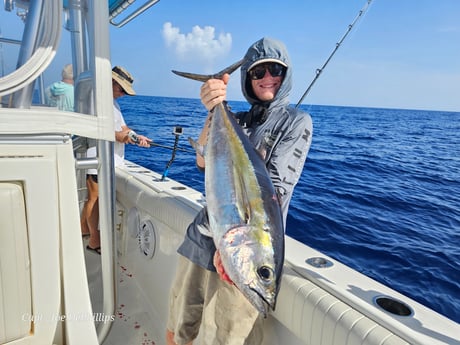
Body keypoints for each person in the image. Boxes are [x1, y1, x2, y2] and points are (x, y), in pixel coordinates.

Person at [166, 37, 313, 345]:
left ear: (287, 76)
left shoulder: (296, 122)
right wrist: (213, 107)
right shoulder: (238, 120)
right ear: (248, 78)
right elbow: (202, 161)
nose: (268, 77)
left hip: (238, 259)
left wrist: (231, 252)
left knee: (219, 339)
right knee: (179, 326)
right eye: (258, 72)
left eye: (275, 69)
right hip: (203, 238)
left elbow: (275, 189)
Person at [80, 66, 152, 254]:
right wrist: (122, 137)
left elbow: (124, 128)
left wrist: (137, 137)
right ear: (112, 83)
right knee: (93, 199)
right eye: (122, 90)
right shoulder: (96, 100)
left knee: (93, 198)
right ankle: (94, 242)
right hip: (97, 157)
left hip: (111, 158)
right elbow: (95, 129)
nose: (123, 95)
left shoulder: (113, 103)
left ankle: (83, 230)